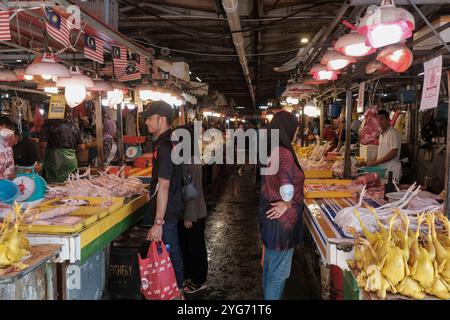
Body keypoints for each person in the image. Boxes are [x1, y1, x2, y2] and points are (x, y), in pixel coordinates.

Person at [259, 110, 305, 300]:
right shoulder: (284, 152)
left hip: (270, 220)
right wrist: (287, 203)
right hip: (282, 225)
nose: (295, 133)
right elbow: (286, 183)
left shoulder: (270, 149)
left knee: (270, 270)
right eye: (294, 129)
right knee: (278, 275)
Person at [141, 101, 185, 297]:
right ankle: (176, 292)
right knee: (170, 251)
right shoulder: (170, 141)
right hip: (172, 207)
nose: (146, 122)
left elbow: (164, 185)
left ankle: (176, 294)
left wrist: (158, 222)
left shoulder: (166, 147)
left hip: (166, 212)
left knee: (170, 252)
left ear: (162, 119)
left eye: (150, 118)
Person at [178, 125, 208, 294]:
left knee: (196, 248)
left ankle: (199, 280)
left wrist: (188, 217)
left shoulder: (193, 162)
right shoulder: (186, 158)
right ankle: (190, 276)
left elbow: (192, 193)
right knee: (188, 246)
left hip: (194, 213)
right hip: (187, 213)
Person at [39, 118, 85, 183]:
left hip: (54, 161)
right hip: (71, 161)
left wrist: (41, 160)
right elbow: (82, 147)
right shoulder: (73, 126)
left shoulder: (48, 125)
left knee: (55, 188)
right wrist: (70, 152)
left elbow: (43, 145)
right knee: (71, 185)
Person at [368, 110, 402, 181]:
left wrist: (376, 162)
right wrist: (373, 160)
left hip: (391, 172)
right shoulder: (382, 134)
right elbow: (380, 151)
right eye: (378, 120)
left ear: (388, 120)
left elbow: (394, 152)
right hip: (383, 171)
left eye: (382, 119)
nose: (380, 122)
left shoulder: (392, 133)